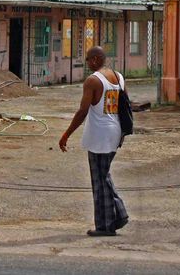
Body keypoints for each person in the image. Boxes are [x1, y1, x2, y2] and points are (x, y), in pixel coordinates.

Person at [58, 46, 129, 237]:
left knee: (99, 180)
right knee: (104, 176)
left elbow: (83, 111)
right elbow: (124, 106)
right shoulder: (118, 77)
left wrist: (67, 134)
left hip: (100, 136)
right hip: (115, 132)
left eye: (89, 59)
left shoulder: (93, 81)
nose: (87, 63)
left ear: (97, 59)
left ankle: (105, 225)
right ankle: (118, 214)